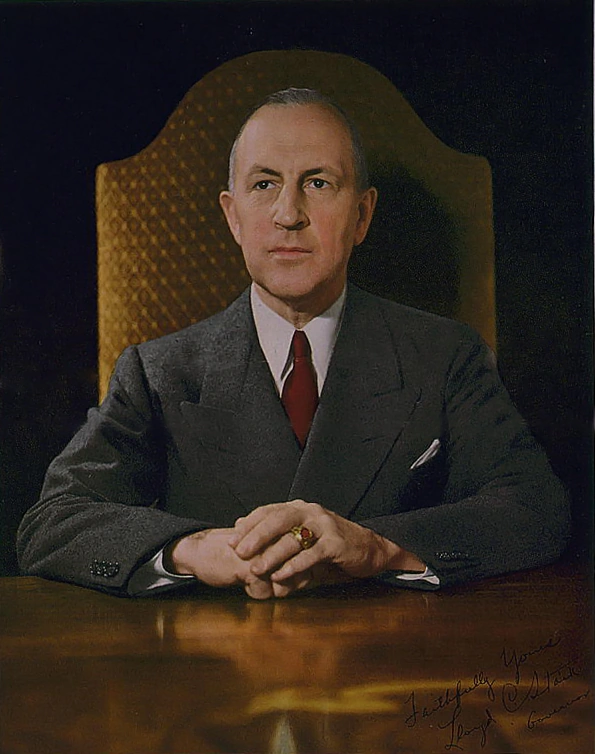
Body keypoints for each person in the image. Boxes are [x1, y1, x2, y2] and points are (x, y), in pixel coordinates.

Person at [17, 88, 570, 599]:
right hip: (215, 663)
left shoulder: (445, 355)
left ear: (362, 215)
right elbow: (53, 521)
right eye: (264, 185)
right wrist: (193, 550)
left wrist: (378, 547)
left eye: (318, 183)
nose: (288, 215)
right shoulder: (158, 371)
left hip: (391, 660)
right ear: (233, 217)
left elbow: (535, 507)